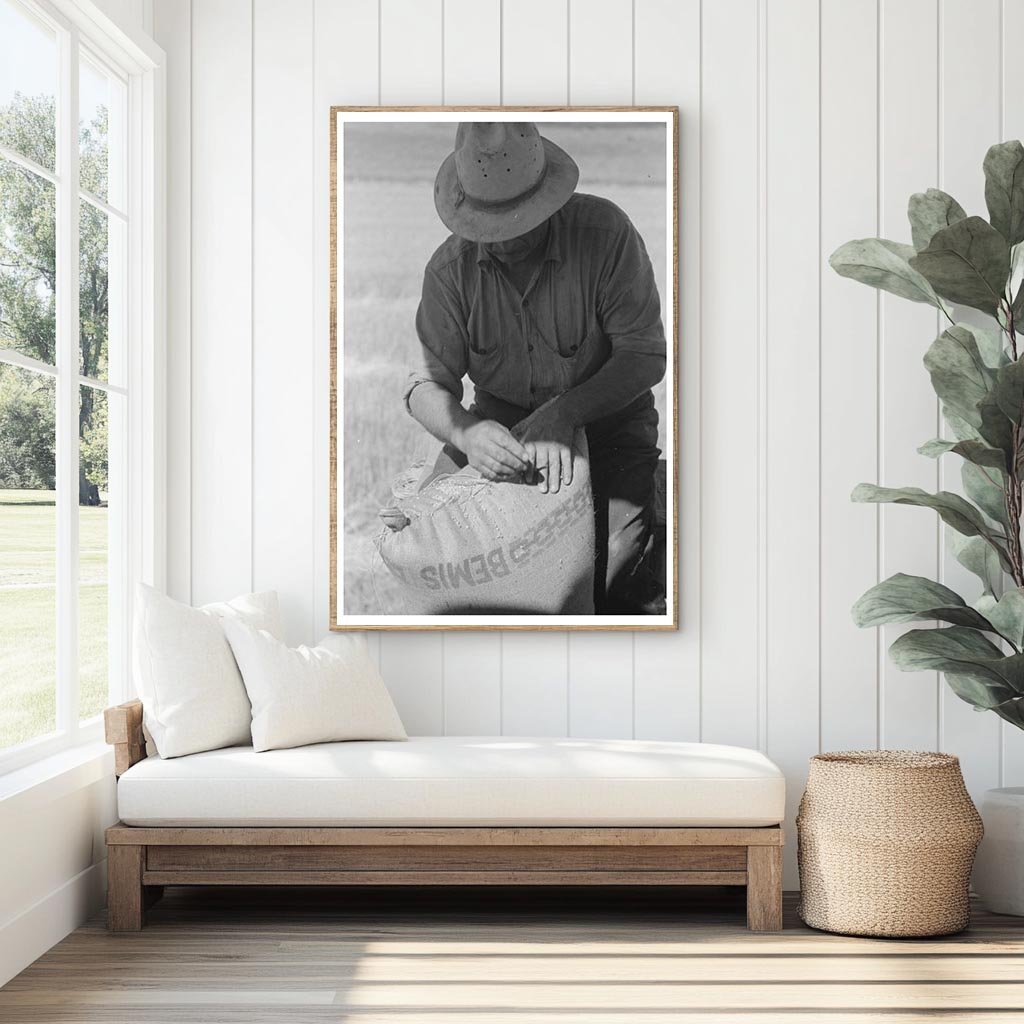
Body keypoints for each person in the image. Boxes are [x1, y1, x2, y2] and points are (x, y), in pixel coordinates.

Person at [404, 122, 666, 614]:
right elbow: (425, 385)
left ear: (549, 198)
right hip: (497, 427)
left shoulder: (607, 236)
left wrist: (566, 414)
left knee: (612, 576)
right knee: (434, 545)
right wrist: (468, 434)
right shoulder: (448, 271)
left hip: (609, 424)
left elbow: (644, 355)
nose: (502, 239)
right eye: (489, 225)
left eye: (517, 221)